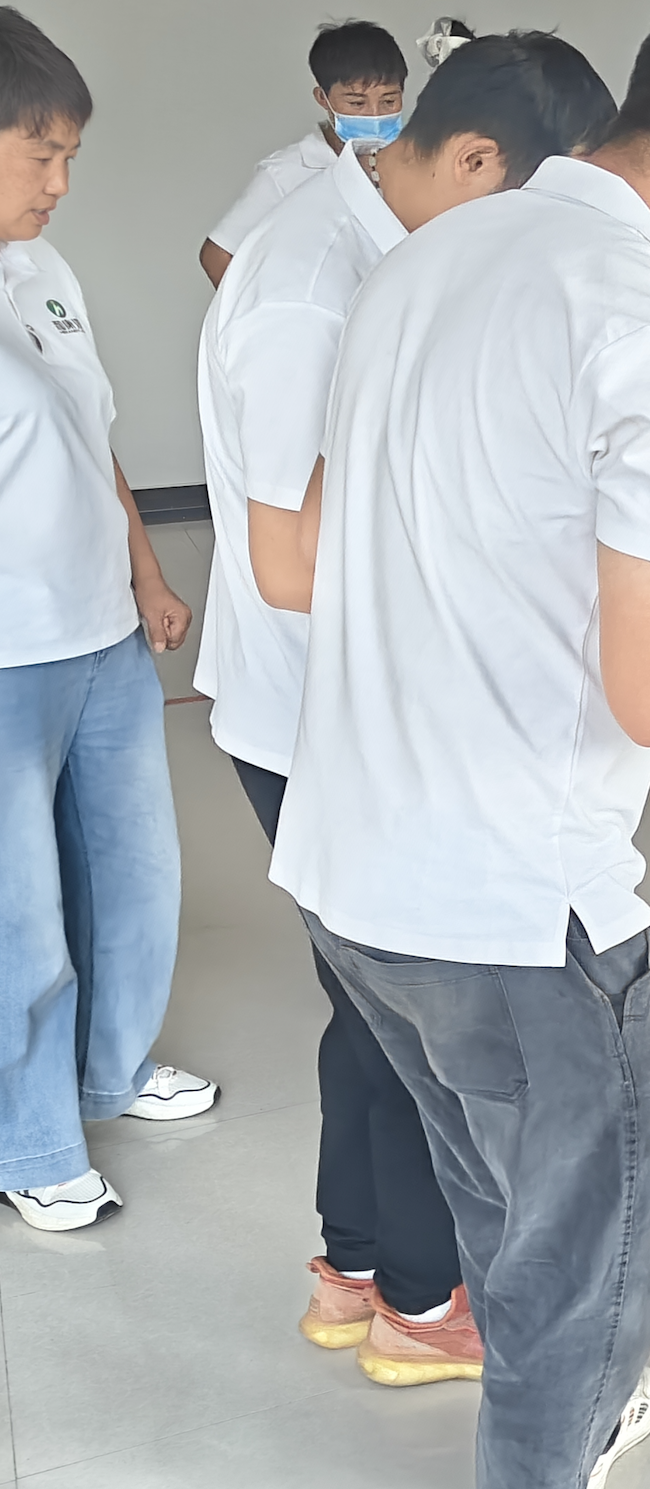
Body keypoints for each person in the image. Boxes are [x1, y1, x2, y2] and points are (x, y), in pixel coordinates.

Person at [262, 3, 650, 1489]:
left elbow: (312, 555)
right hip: (517, 913)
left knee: (500, 1206)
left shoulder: (429, 256)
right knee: (595, 1269)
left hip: (351, 871)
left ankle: (545, 1437)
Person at [199, 31, 620, 1389]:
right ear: (481, 161)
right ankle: (423, 1301)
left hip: (344, 706)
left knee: (367, 1015)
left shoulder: (382, 252)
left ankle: (357, 1270)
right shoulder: (313, 288)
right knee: (418, 1031)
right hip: (321, 713)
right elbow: (292, 561)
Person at [0, 8, 220, 1234]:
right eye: (41, 152)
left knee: (134, 875)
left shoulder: (42, 271)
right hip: (7, 657)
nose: (61, 182)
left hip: (100, 637)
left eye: (70, 154)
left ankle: (110, 1071)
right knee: (18, 916)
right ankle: (30, 1139)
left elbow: (94, 440)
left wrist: (145, 573)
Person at [198, 20, 408, 287]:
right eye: (357, 103)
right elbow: (217, 255)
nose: (375, 115)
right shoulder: (285, 173)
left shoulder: (413, 163)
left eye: (389, 100)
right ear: (323, 98)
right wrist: (263, 310)